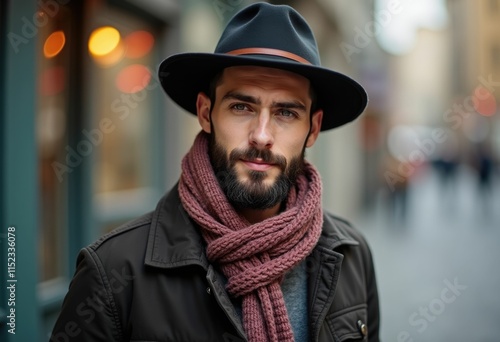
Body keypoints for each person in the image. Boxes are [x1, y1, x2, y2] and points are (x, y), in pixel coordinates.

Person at [51, 3, 380, 342]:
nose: (262, 135)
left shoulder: (351, 255)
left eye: (286, 113)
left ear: (313, 128)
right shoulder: (115, 270)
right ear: (206, 113)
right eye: (241, 106)